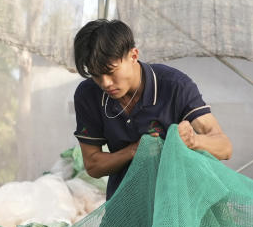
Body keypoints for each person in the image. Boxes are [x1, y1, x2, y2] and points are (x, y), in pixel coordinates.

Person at [72, 18, 232, 201]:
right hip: (125, 207)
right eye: (96, 75)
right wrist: (135, 150)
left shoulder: (174, 86)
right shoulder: (88, 95)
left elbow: (224, 147)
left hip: (181, 202)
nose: (105, 83)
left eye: (111, 71)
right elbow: (93, 165)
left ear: (133, 56)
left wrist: (193, 140)